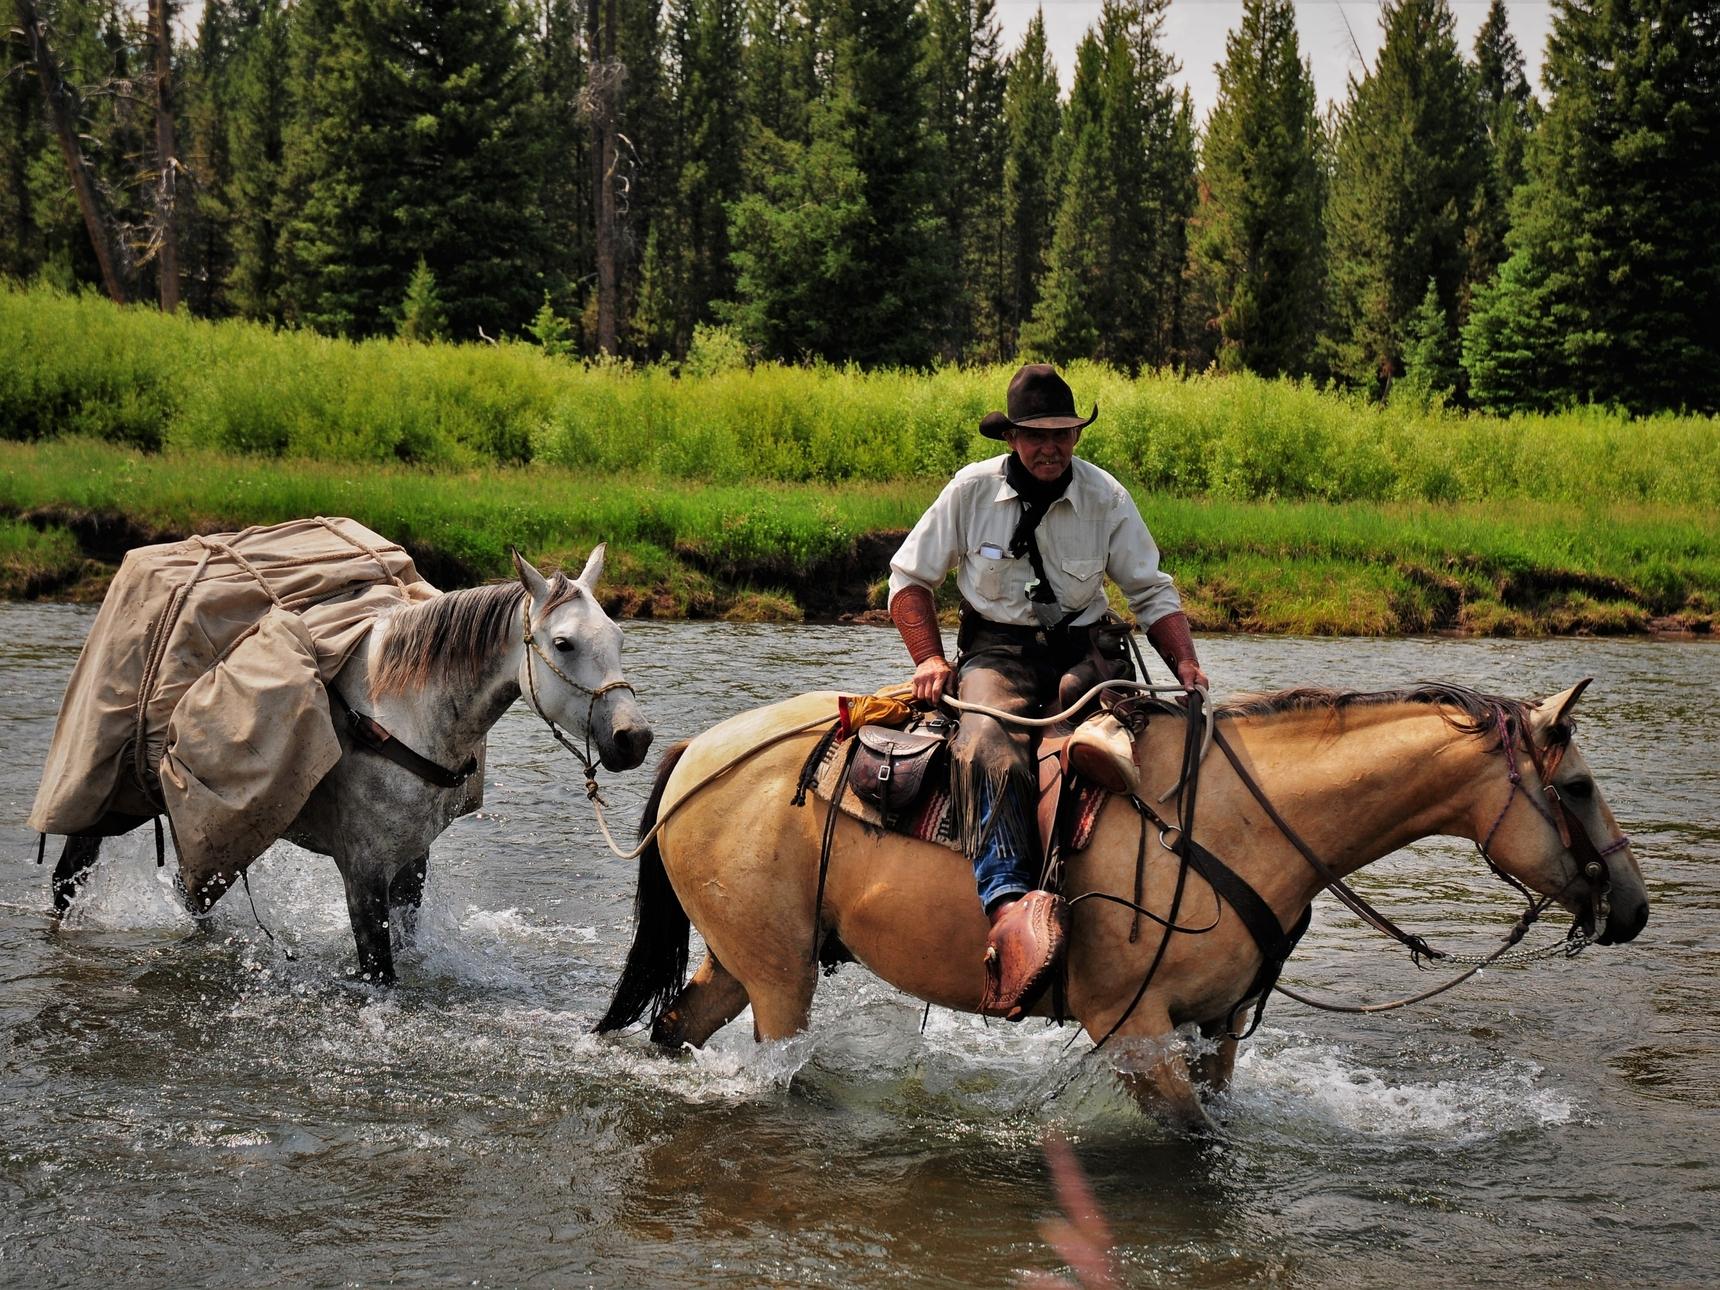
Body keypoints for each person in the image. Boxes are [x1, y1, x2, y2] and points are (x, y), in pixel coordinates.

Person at [887, 363, 1209, 1019]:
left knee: (1113, 737)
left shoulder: (1105, 496)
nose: (1050, 448)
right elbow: (909, 582)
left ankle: (1123, 875)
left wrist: (1187, 665)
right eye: (1036, 436)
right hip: (996, 652)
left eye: (1063, 435)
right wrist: (929, 660)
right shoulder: (969, 491)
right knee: (984, 747)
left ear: (1075, 438)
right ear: (1012, 436)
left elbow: (1150, 590)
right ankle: (1008, 904)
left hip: (1084, 648)